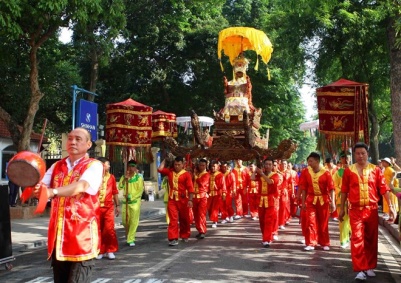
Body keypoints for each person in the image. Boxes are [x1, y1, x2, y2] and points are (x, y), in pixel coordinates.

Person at [34, 127, 103, 283]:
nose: (73, 142)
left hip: (81, 236)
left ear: (88, 144)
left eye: (78, 139)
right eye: (70, 138)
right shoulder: (56, 166)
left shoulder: (94, 165)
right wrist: (35, 184)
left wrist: (53, 192)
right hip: (59, 236)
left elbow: (82, 186)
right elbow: (41, 188)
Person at [339, 142, 396, 281]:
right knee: (357, 239)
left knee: (371, 239)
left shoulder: (375, 170)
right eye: (357, 153)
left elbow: (384, 189)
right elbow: (344, 190)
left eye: (363, 153)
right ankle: (361, 268)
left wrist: (391, 207)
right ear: (354, 155)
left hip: (371, 210)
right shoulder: (349, 171)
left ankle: (370, 266)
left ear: (367, 154)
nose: (360, 156)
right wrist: (341, 209)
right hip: (355, 210)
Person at [299, 152, 336, 251]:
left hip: (323, 200)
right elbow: (304, 188)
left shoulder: (326, 173)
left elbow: (332, 188)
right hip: (310, 200)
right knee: (310, 221)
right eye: (308, 161)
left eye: (311, 161)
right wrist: (303, 203)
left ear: (317, 161)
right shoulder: (306, 172)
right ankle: (311, 243)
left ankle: (324, 242)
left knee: (323, 222)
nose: (309, 163)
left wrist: (333, 202)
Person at [158, 156, 194, 246]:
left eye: (179, 164)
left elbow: (190, 188)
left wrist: (190, 200)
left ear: (183, 165)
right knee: (173, 219)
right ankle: (173, 238)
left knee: (184, 219)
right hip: (172, 200)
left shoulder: (186, 174)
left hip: (183, 200)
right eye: (175, 164)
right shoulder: (170, 172)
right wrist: (165, 159)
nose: (177, 166)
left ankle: (184, 235)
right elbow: (160, 169)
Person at [252, 158, 279, 248]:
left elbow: (270, 182)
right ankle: (266, 236)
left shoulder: (275, 175)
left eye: (269, 164)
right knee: (262, 221)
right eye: (266, 164)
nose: (267, 166)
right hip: (261, 201)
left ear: (272, 166)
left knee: (268, 220)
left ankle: (267, 240)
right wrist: (255, 171)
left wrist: (261, 173)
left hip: (271, 200)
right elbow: (252, 178)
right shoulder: (260, 175)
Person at [96, 157, 119, 260]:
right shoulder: (94, 177)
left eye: (109, 164)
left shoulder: (112, 177)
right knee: (98, 229)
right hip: (96, 207)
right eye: (107, 164)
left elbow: (114, 192)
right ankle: (100, 250)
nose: (109, 166)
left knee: (109, 229)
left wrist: (117, 206)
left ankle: (110, 249)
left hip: (109, 207)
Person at [118, 159, 144, 247]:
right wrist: (125, 179)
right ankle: (129, 234)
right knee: (125, 222)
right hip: (125, 203)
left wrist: (132, 197)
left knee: (133, 221)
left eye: (133, 166)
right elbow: (120, 187)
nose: (131, 168)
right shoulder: (124, 176)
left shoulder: (139, 178)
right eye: (130, 166)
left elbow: (140, 191)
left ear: (136, 167)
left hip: (135, 202)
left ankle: (131, 238)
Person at [333, 151, 351, 249]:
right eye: (343, 157)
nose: (346, 159)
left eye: (347, 157)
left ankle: (352, 235)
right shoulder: (338, 172)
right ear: (341, 160)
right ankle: (344, 240)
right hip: (342, 199)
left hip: (354, 199)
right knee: (343, 220)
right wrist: (342, 191)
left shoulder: (355, 170)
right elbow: (334, 185)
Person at [192, 159, 210, 239]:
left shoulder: (206, 174)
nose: (201, 167)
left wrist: (195, 177)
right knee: (195, 215)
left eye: (203, 165)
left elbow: (202, 184)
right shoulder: (196, 173)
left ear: (206, 166)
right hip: (194, 197)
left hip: (202, 197)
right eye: (200, 165)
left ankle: (203, 231)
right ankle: (199, 230)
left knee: (201, 214)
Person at [208, 160, 226, 228]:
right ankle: (213, 219)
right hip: (209, 194)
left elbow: (223, 185)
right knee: (209, 208)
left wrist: (224, 194)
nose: (213, 168)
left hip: (217, 194)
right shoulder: (208, 174)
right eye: (211, 166)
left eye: (214, 166)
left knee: (214, 208)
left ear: (218, 167)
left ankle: (215, 221)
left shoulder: (220, 175)